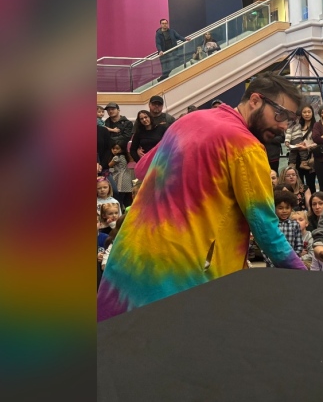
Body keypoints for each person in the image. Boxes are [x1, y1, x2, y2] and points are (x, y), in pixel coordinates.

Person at [98, 73, 308, 321]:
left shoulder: (189, 120)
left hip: (130, 257)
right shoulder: (245, 146)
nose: (284, 126)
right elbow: (267, 231)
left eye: (291, 120)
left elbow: (143, 167)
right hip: (179, 276)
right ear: (255, 100)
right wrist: (306, 281)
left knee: (112, 351)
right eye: (281, 115)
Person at [263, 188, 303, 267]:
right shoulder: (270, 225)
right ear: (274, 208)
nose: (284, 211)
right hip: (272, 264)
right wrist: (271, 262)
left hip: (291, 263)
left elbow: (299, 246)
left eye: (287, 208)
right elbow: (265, 246)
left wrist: (292, 260)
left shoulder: (295, 225)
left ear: (291, 208)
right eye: (280, 208)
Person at [286, 104, 318, 191]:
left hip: (309, 158)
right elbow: (288, 135)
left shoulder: (317, 126)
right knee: (297, 185)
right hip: (296, 157)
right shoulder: (296, 125)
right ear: (301, 114)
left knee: (311, 184)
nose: (307, 114)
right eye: (304, 112)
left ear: (312, 113)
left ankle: (311, 203)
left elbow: (318, 143)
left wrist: (307, 147)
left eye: (309, 112)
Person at [108, 142, 133, 208]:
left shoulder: (116, 157)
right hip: (127, 177)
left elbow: (108, 166)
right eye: (113, 148)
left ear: (122, 149)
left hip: (120, 179)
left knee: (119, 198)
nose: (115, 150)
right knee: (127, 199)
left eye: (117, 149)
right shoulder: (125, 156)